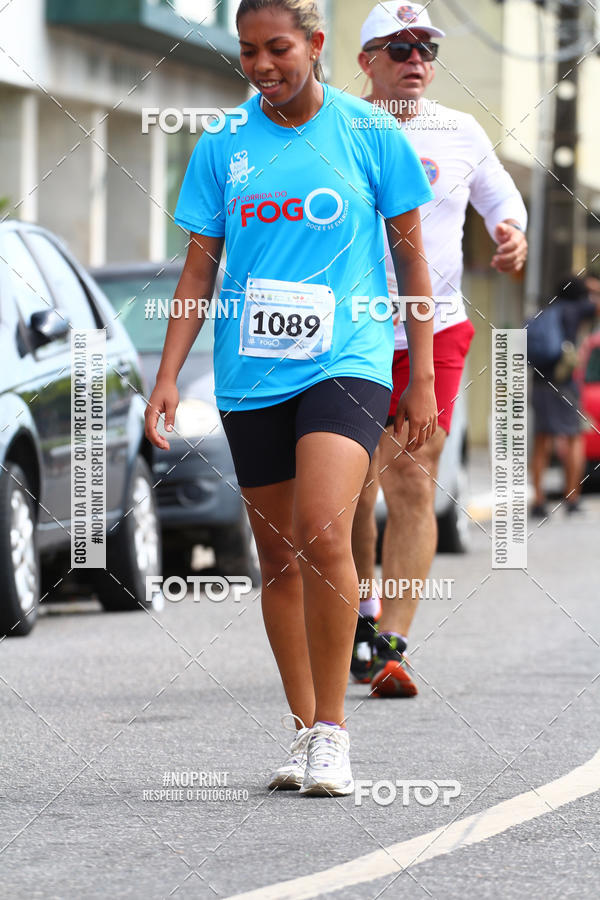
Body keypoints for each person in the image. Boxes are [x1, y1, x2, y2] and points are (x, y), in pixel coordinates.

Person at [144, 0, 437, 796]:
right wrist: (169, 373)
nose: (262, 66)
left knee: (321, 529)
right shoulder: (223, 145)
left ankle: (336, 734)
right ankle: (304, 728)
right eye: (247, 52)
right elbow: (199, 269)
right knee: (276, 556)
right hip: (250, 371)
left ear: (315, 44)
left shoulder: (371, 135)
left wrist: (423, 378)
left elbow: (412, 263)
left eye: (277, 49)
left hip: (348, 358)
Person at [351, 2, 529, 696]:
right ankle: (359, 610)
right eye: (398, 48)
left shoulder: (458, 131)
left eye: (425, 46)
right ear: (367, 61)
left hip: (438, 325)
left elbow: (500, 197)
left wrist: (511, 232)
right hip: (351, 329)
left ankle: (390, 639)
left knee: (412, 474)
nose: (415, 59)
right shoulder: (338, 126)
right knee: (352, 485)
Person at [531, 275, 600, 517]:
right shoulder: (577, 309)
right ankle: (572, 498)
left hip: (539, 382)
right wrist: (593, 286)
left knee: (542, 440)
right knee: (573, 439)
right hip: (565, 382)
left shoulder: (546, 310)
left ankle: (538, 501)